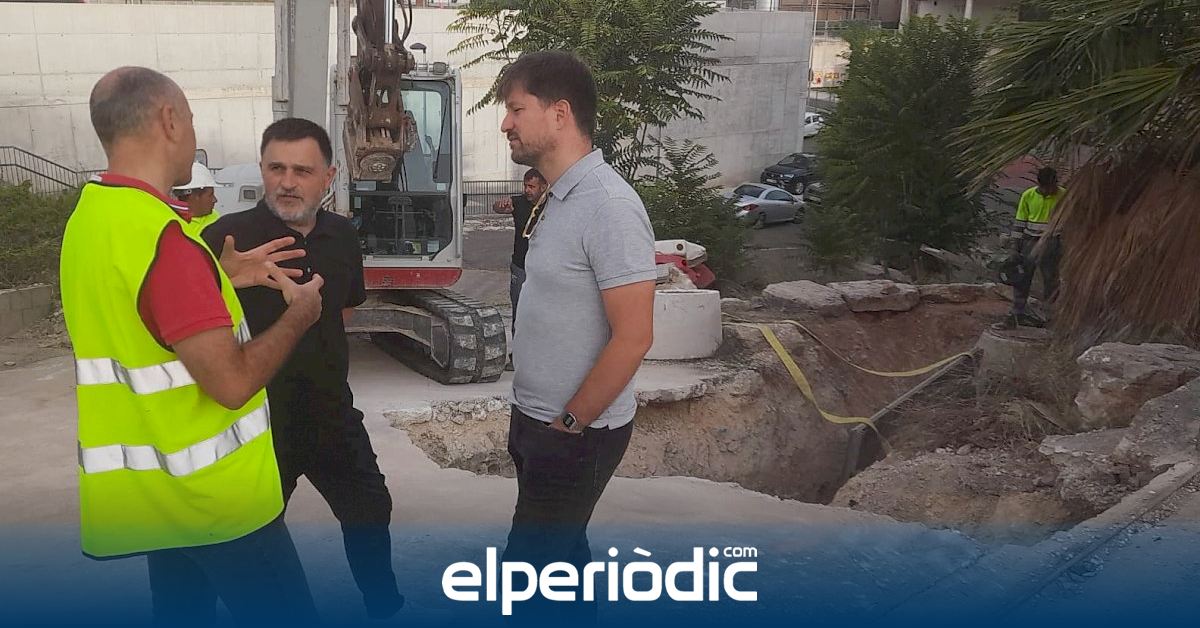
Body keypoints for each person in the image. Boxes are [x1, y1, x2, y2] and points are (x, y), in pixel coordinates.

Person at [60, 66, 322, 626]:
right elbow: (231, 382)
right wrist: (299, 316)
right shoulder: (165, 242)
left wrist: (216, 277)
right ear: (170, 121)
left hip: (158, 500)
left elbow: (140, 319)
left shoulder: (93, 216)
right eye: (192, 120)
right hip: (218, 504)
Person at [202, 118, 405, 620]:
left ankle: (383, 606)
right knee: (246, 536)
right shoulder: (226, 239)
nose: (287, 182)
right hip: (259, 422)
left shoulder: (342, 236)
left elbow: (344, 310)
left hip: (331, 411)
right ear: (262, 170)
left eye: (302, 171)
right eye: (276, 168)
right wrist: (220, 276)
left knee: (370, 508)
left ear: (328, 177)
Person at [497, 51, 657, 620]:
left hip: (575, 433)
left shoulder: (609, 206)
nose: (506, 123)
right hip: (537, 419)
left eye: (516, 109)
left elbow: (634, 337)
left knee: (525, 582)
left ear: (559, 113)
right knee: (566, 566)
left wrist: (568, 426)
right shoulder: (557, 197)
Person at [996, 166, 1065, 330]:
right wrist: (1015, 248)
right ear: (1040, 185)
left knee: (1051, 281)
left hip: (1052, 243)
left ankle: (1051, 318)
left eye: (1053, 186)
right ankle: (1015, 315)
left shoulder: (1064, 195)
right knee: (1022, 279)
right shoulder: (1028, 195)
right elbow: (1019, 223)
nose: (1050, 190)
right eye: (1047, 187)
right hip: (1030, 242)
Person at [492, 168, 549, 333]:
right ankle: (517, 344)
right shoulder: (519, 202)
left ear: (543, 187)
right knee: (519, 310)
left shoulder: (552, 206)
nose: (527, 190)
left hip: (542, 267)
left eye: (531, 186)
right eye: (525, 186)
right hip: (520, 266)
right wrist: (500, 206)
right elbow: (497, 207)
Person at [173, 161, 223, 232]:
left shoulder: (214, 217)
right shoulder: (174, 224)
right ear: (194, 196)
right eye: (210, 195)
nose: (215, 200)